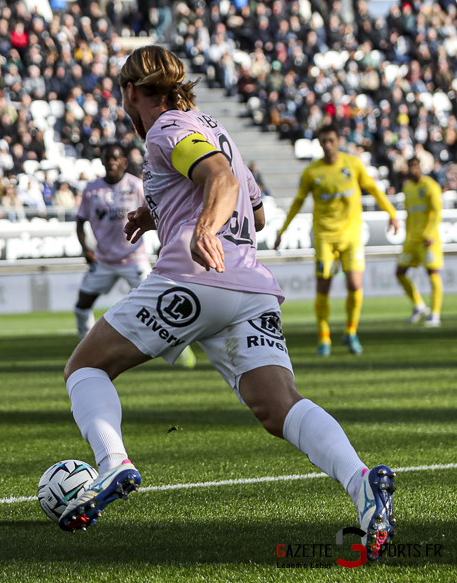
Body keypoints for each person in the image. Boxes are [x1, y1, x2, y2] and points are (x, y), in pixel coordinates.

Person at [57, 47, 396, 565]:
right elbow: (254, 213)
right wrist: (161, 213)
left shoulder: (166, 129)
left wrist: (202, 228)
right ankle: (362, 483)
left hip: (192, 281)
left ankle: (112, 463)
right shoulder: (213, 127)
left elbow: (221, 180)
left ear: (129, 91)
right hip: (249, 288)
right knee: (279, 406)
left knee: (85, 366)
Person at [274, 125, 398, 356]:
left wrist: (392, 213)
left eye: (331, 140)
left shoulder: (352, 164)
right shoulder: (312, 172)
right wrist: (283, 229)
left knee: (354, 285)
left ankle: (351, 332)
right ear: (319, 144)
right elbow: (298, 202)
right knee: (324, 286)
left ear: (339, 140)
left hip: (351, 235)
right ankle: (324, 338)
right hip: (324, 236)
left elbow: (373, 188)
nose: (327, 145)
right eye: (323, 141)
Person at [74, 143, 197, 367]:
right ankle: (86, 348)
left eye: (116, 158)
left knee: (160, 304)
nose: (111, 161)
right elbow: (80, 222)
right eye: (107, 158)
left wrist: (165, 243)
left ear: (123, 161)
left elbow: (160, 215)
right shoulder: (91, 190)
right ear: (102, 161)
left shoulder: (137, 186)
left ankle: (182, 349)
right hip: (104, 260)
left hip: (134, 259)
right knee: (82, 305)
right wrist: (85, 248)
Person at [396, 157, 443, 327]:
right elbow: (409, 215)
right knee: (400, 272)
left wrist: (429, 234)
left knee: (432, 273)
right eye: (410, 167)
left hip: (428, 239)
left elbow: (438, 212)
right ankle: (419, 305)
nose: (413, 169)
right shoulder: (408, 188)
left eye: (415, 166)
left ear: (420, 167)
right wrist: (406, 237)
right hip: (412, 240)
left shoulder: (430, 186)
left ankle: (435, 315)